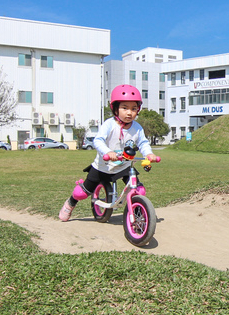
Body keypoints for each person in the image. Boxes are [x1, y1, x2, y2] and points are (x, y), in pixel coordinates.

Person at [58, 85, 158, 221]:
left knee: (139, 190)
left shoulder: (137, 128)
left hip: (124, 166)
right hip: (103, 166)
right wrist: (108, 151)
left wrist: (149, 154)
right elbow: (98, 141)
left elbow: (143, 143)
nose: (130, 113)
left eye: (134, 109)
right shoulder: (109, 124)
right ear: (115, 108)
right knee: (82, 193)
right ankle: (70, 203)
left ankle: (139, 215)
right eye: (125, 108)